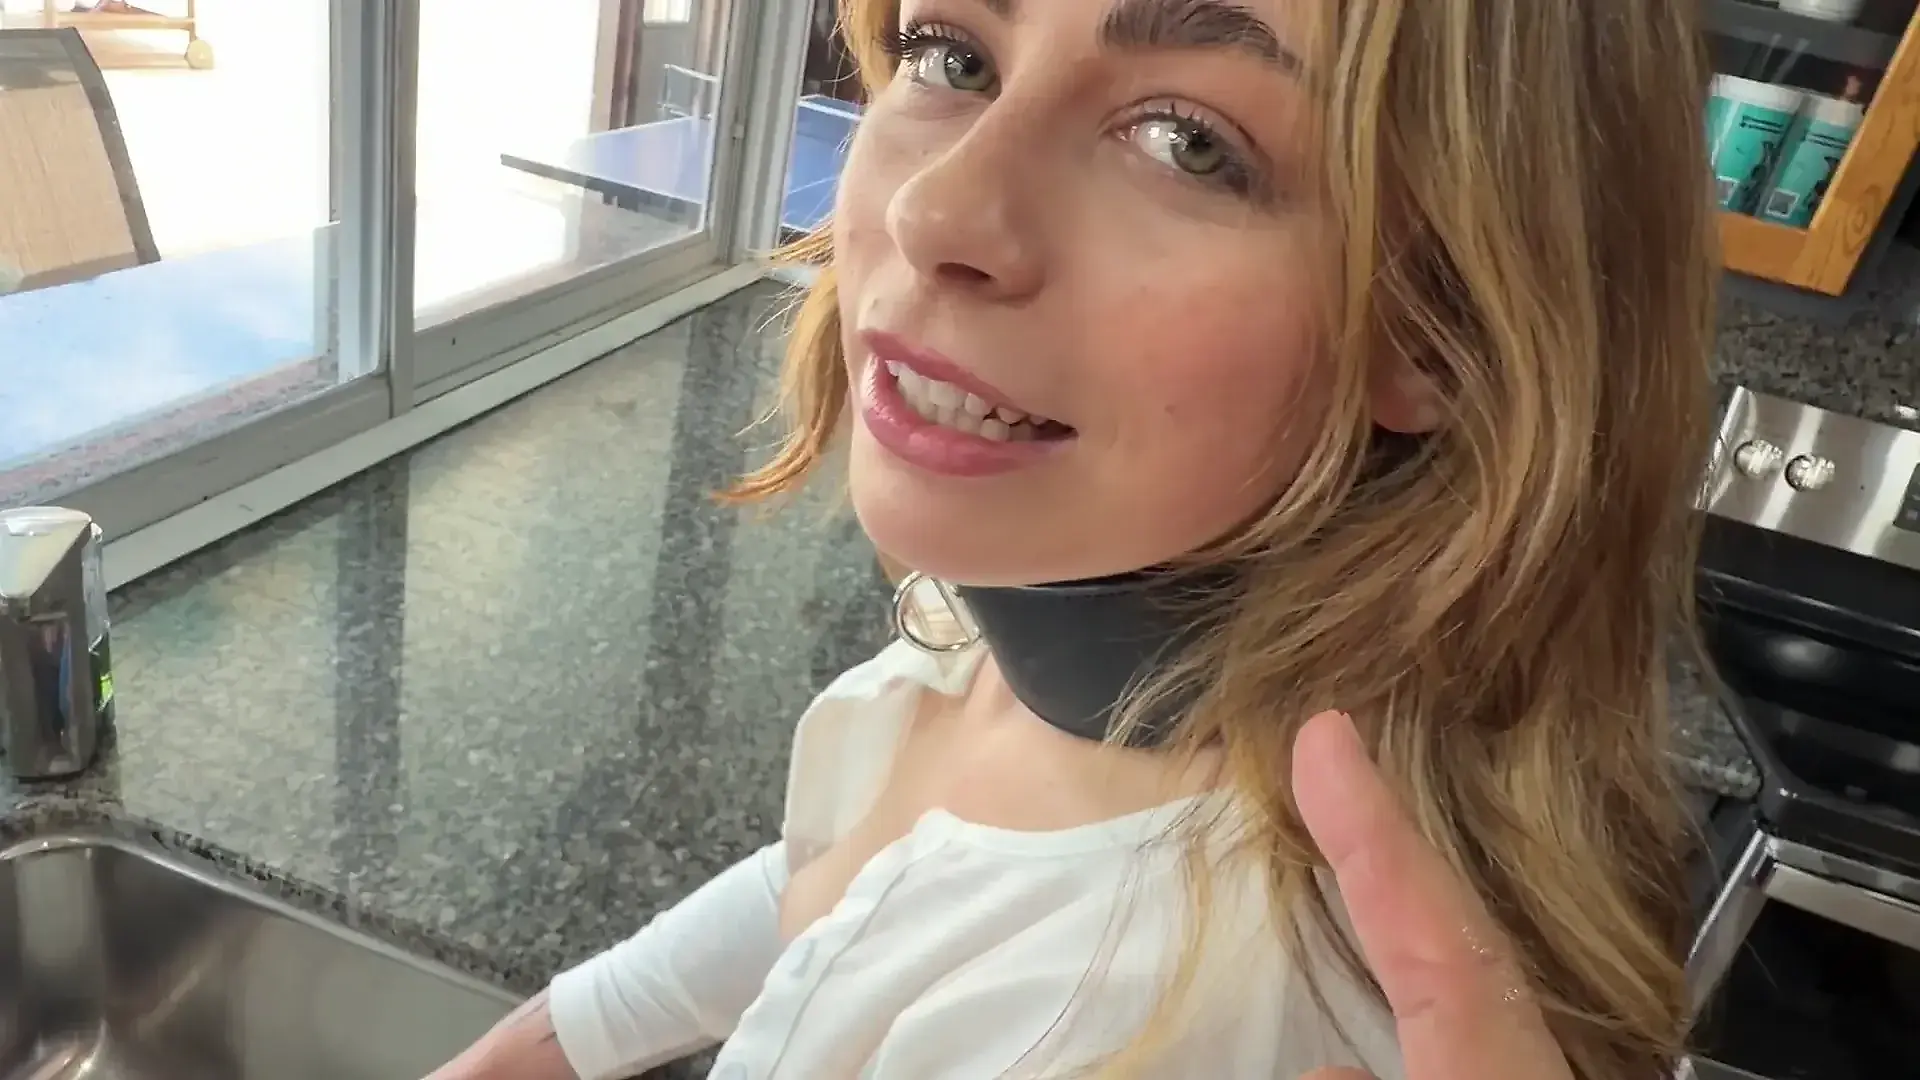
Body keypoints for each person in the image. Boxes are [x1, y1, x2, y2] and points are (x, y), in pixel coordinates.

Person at [428, 0, 1716, 1076]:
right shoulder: (1049, 610)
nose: (937, 209)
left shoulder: (1145, 1020)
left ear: (1443, 331)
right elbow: (850, 883)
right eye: (953, 55)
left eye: (1187, 142)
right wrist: (545, 1044)